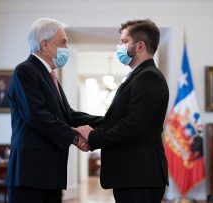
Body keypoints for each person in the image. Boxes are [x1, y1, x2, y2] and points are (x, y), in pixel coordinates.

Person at [6, 18, 102, 203]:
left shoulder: (49, 76)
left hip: (49, 174)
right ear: (45, 44)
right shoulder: (25, 71)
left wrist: (109, 120)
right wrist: (76, 138)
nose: (66, 47)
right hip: (30, 175)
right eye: (63, 42)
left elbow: (68, 115)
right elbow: (37, 116)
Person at [75, 19, 169, 203]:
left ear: (140, 45)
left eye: (124, 41)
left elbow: (132, 127)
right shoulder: (138, 76)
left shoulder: (148, 77)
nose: (119, 46)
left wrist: (93, 136)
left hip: (140, 176)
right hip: (132, 175)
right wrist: (74, 119)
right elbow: (116, 121)